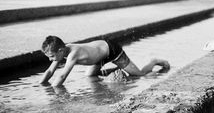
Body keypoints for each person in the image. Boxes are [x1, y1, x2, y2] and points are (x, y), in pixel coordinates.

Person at [39, 35, 170, 87]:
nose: (51, 59)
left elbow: (62, 76)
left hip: (111, 50)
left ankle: (153, 61)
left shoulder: (73, 53)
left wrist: (53, 90)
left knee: (139, 75)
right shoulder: (60, 54)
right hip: (98, 57)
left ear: (61, 50)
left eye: (51, 56)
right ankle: (118, 70)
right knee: (89, 76)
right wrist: (41, 84)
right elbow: (50, 71)